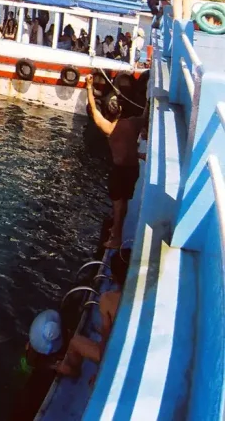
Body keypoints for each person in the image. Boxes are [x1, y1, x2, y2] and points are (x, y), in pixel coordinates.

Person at [86, 75, 145, 248]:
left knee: (118, 204)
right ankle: (116, 229)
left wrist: (89, 87)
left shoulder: (109, 128)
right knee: (124, 201)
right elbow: (146, 115)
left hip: (119, 170)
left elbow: (94, 110)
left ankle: (116, 237)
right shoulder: (134, 124)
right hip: (133, 169)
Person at [56, 251, 129, 377]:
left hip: (119, 355)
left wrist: (100, 371)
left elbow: (105, 340)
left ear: (114, 276)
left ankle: (73, 371)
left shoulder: (108, 299)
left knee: (74, 342)